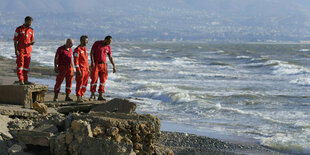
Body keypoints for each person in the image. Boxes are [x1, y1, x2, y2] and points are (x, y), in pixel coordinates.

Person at [89, 36, 116, 101]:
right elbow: (92, 52)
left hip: (104, 65)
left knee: (103, 80)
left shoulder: (108, 47)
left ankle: (100, 95)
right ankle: (92, 94)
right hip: (96, 64)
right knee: (94, 80)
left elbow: (110, 56)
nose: (109, 43)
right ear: (105, 39)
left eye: (110, 42)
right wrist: (92, 61)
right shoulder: (97, 43)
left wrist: (114, 66)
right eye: (108, 42)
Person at [13, 16, 35, 85]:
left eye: (31, 22)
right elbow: (15, 40)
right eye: (29, 22)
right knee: (20, 65)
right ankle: (21, 79)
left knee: (26, 67)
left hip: (28, 51)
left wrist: (32, 42)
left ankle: (25, 80)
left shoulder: (31, 30)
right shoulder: (18, 29)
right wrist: (16, 50)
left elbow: (32, 40)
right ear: (26, 21)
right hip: (21, 50)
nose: (30, 24)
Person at [73, 35, 89, 102]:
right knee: (79, 83)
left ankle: (82, 95)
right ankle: (78, 97)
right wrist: (78, 70)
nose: (86, 43)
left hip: (86, 69)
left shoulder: (85, 49)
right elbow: (75, 61)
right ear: (81, 41)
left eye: (87, 41)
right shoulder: (77, 50)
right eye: (85, 41)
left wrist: (88, 69)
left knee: (85, 83)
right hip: (81, 69)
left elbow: (86, 60)